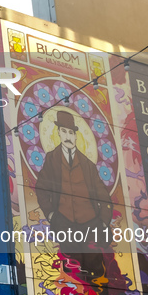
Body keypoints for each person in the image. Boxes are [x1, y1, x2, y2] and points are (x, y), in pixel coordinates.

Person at [35, 111, 113, 282]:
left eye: (71, 132)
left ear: (76, 136)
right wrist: (51, 215)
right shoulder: (52, 159)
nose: (68, 136)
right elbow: (41, 187)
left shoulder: (87, 164)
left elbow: (104, 196)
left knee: (95, 272)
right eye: (64, 131)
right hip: (65, 223)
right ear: (59, 133)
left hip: (90, 224)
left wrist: (102, 221)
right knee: (72, 271)